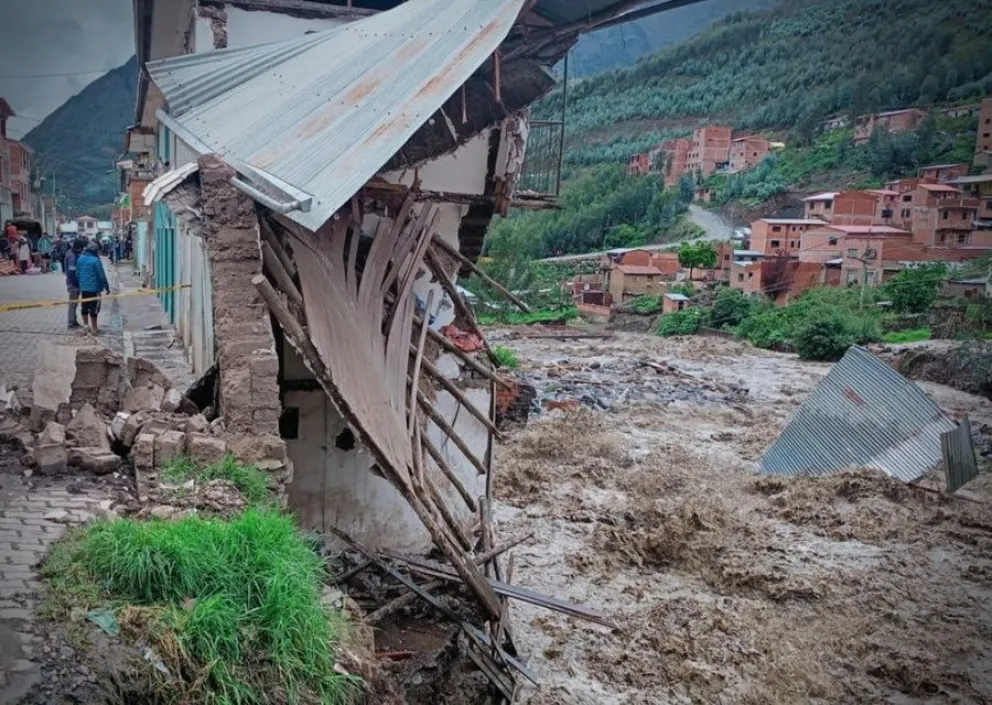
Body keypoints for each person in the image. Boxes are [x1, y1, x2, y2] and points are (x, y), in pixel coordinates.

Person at [77, 241, 110, 334]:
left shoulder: (80, 259)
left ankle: (86, 327)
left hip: (83, 288)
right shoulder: (96, 260)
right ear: (95, 251)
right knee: (94, 308)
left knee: (84, 307)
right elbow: (101, 275)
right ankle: (94, 329)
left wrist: (81, 284)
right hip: (94, 289)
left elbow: (77, 273)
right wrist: (106, 287)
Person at [64, 239, 85, 329]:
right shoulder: (72, 257)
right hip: (73, 284)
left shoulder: (71, 252)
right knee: (73, 304)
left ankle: (74, 321)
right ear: (78, 248)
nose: (82, 250)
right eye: (81, 248)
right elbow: (72, 273)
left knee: (74, 303)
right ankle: (71, 323)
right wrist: (76, 285)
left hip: (74, 282)